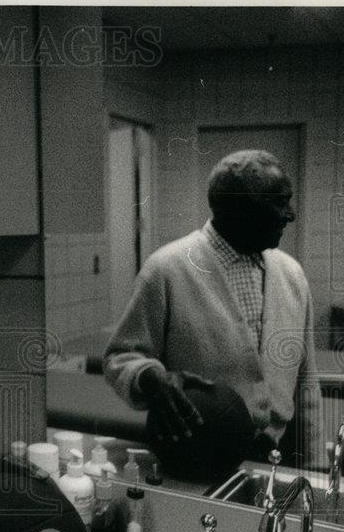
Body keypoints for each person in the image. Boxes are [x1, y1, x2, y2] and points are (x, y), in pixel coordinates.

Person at [103, 149, 324, 469]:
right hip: (199, 457)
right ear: (238, 210)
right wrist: (152, 378)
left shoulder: (292, 274)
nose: (290, 214)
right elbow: (121, 358)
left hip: (278, 458)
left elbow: (306, 379)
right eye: (278, 203)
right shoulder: (167, 269)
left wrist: (315, 464)